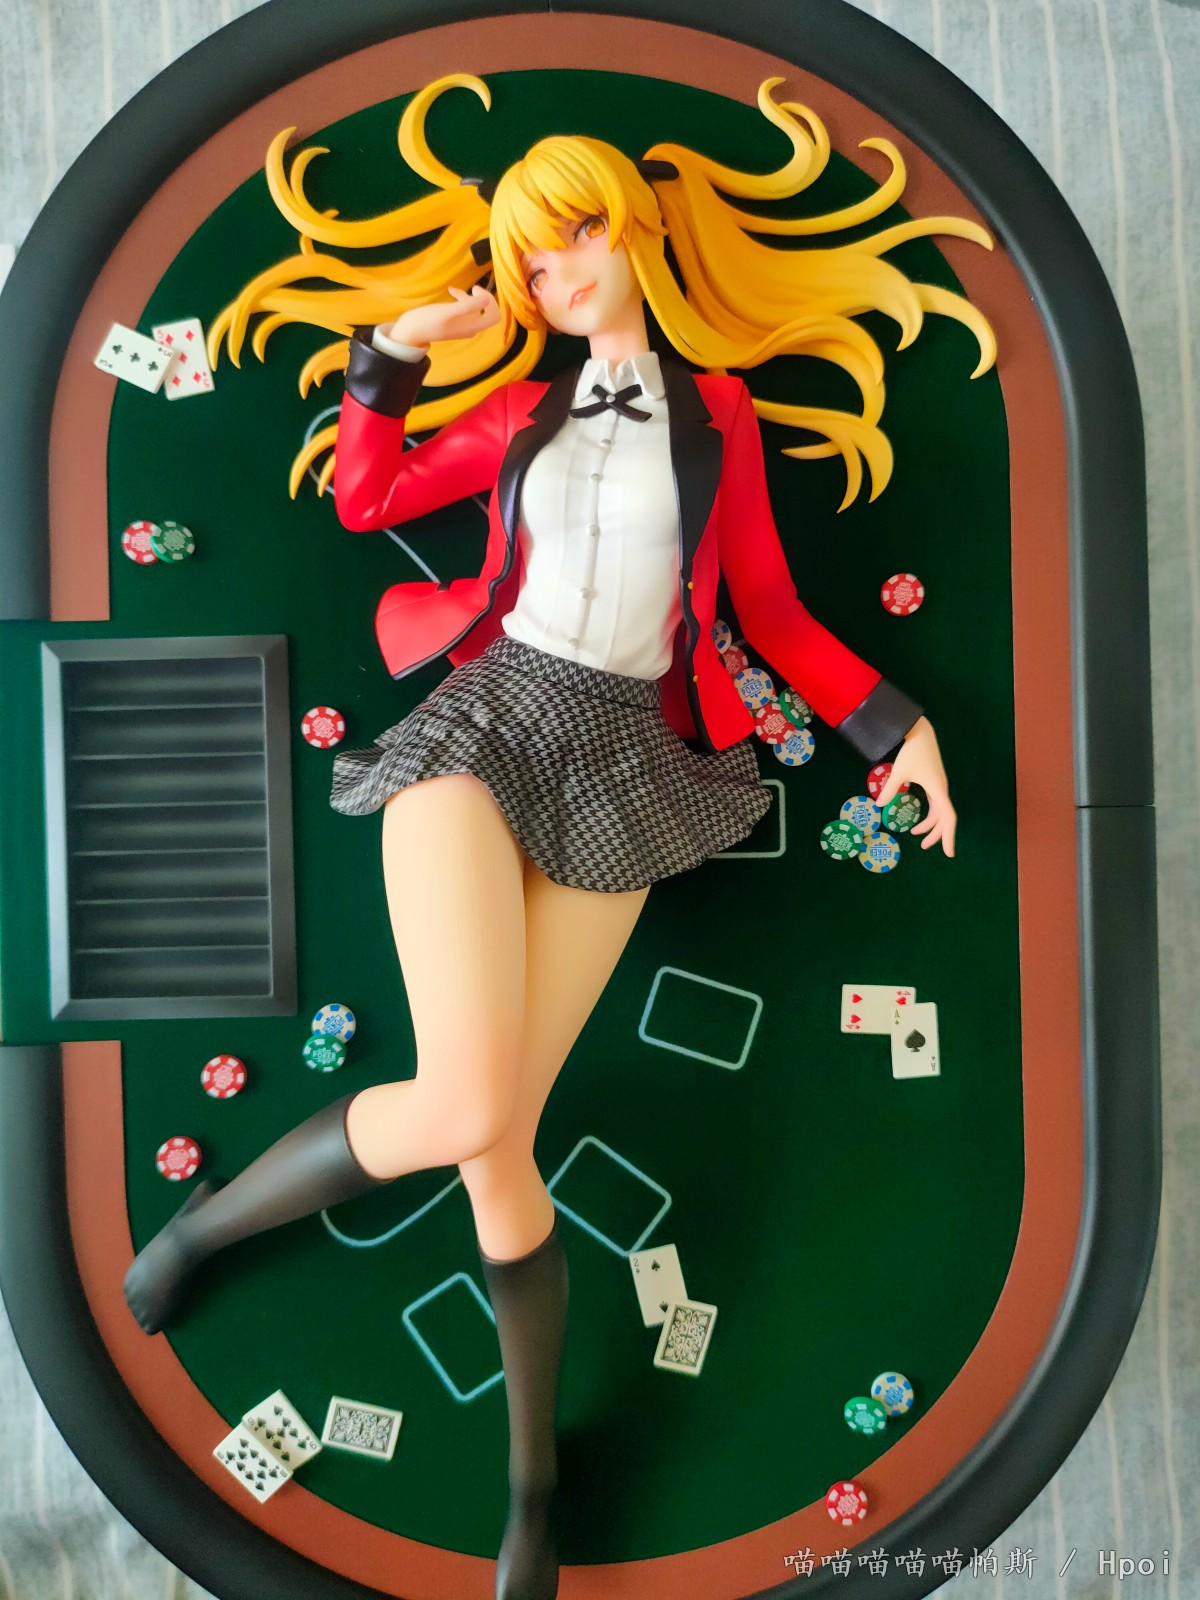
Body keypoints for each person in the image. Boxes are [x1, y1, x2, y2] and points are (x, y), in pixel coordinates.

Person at [124, 70, 988, 1600]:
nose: (554, 270)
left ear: (633, 228)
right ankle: (211, 1227)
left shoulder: (720, 421)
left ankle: (532, 1489)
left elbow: (774, 611)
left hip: (628, 762)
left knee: (499, 1141)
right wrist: (396, 349)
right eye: (529, 254)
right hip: (484, 721)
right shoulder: (520, 408)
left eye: (574, 233)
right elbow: (366, 498)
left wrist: (894, 728)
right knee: (466, 1104)